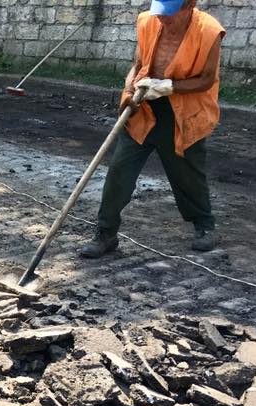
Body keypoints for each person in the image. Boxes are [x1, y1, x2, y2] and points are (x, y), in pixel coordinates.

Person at [80, 0, 225, 258]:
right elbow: (137, 65)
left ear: (189, 5)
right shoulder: (147, 21)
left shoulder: (209, 31)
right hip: (143, 109)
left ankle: (205, 226)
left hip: (183, 114)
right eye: (160, 12)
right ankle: (106, 233)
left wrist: (169, 86)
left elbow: (206, 79)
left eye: (169, 14)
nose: (162, 19)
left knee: (188, 175)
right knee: (119, 171)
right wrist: (128, 92)